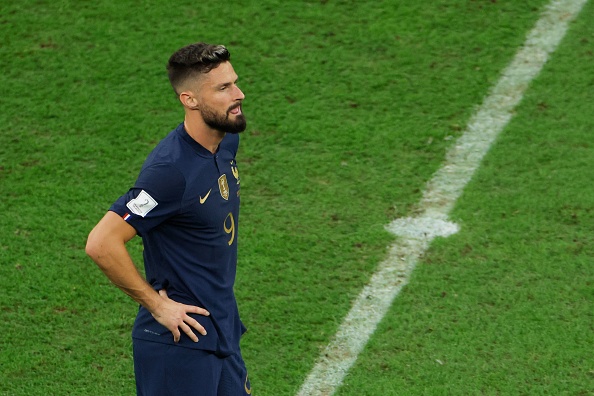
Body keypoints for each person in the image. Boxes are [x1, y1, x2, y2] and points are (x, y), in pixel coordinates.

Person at [86, 42, 251, 395]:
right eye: (223, 88)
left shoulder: (225, 142)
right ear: (189, 100)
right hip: (179, 343)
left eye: (234, 82)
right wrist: (158, 305)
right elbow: (101, 243)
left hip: (219, 326)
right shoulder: (170, 173)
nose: (239, 94)